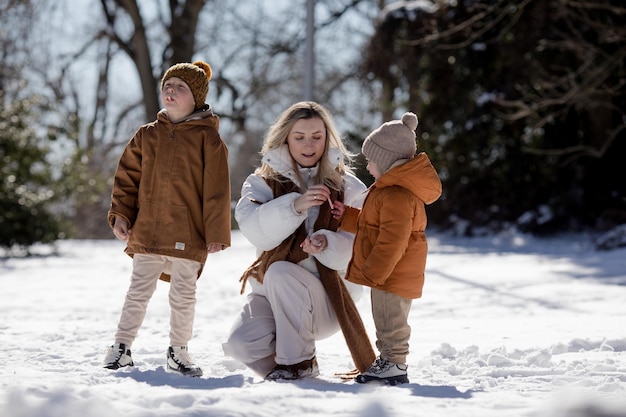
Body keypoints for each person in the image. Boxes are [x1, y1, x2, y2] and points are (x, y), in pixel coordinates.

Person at [222, 101, 376, 381]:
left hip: (329, 300)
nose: (309, 145)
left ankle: (298, 364)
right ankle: (294, 376)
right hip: (270, 294)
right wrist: (294, 206)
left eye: (317, 137)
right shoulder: (261, 183)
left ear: (327, 139)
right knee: (240, 344)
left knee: (280, 271)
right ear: (285, 139)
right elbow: (254, 231)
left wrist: (325, 244)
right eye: (300, 137)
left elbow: (358, 250)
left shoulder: (350, 187)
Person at [103, 61, 231, 377]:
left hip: (188, 233)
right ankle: (120, 347)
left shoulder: (208, 139)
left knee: (183, 295)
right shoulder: (147, 135)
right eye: (167, 86)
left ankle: (179, 351)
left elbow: (216, 190)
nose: (171, 91)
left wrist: (216, 232)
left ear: (196, 98)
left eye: (180, 87)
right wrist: (121, 214)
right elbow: (127, 178)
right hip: (146, 230)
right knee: (137, 292)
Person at [338, 112, 442, 385]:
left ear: (386, 161)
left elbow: (391, 240)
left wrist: (375, 272)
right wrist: (344, 216)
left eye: (371, 161)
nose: (369, 167)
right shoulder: (389, 190)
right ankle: (389, 360)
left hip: (391, 274)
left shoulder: (396, 195)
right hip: (390, 273)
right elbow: (372, 225)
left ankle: (394, 363)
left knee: (391, 322)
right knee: (387, 319)